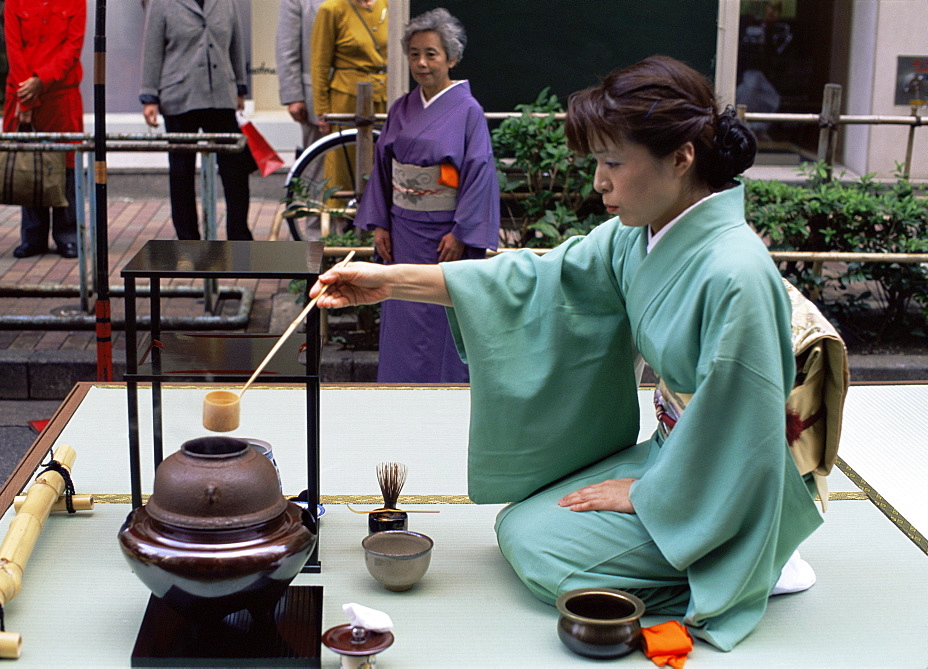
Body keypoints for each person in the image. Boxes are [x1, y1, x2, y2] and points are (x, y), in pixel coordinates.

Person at [311, 55, 822, 651]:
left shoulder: (735, 272)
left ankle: (754, 558)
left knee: (540, 552)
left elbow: (745, 424)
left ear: (681, 158)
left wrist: (647, 492)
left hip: (727, 481)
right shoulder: (641, 232)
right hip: (677, 452)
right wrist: (393, 281)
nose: (599, 182)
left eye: (612, 163)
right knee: (518, 521)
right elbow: (539, 281)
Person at [355, 8, 499, 383]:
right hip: (402, 232)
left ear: (451, 57)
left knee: (442, 317)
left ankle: (445, 391)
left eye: (431, 54)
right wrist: (380, 225)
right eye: (414, 53)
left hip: (444, 236)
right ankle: (397, 388)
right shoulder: (402, 107)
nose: (421, 62)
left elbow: (478, 172)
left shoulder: (468, 111)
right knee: (402, 310)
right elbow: (384, 167)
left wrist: (462, 232)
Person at [139, 0, 253, 241]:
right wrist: (149, 96)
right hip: (179, 94)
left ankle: (239, 234)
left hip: (220, 93)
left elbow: (236, 42)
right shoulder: (161, 3)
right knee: (181, 171)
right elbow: (152, 46)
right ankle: (187, 238)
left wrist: (239, 87)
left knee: (236, 169)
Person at [2, 0, 85, 259]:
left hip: (61, 94)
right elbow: (13, 48)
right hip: (22, 91)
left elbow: (73, 47)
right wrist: (26, 96)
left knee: (66, 165)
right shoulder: (14, 2)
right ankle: (33, 236)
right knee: (28, 164)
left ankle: (67, 235)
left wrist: (43, 79)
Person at [310, 0, 388, 210]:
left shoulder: (388, 5)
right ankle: (340, 228)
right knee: (342, 169)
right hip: (345, 100)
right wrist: (322, 110)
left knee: (381, 166)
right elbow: (319, 64)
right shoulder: (332, 9)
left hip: (384, 97)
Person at [275, 0, 324, 239]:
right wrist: (293, 95)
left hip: (359, 94)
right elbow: (287, 47)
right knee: (316, 172)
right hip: (313, 97)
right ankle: (315, 241)